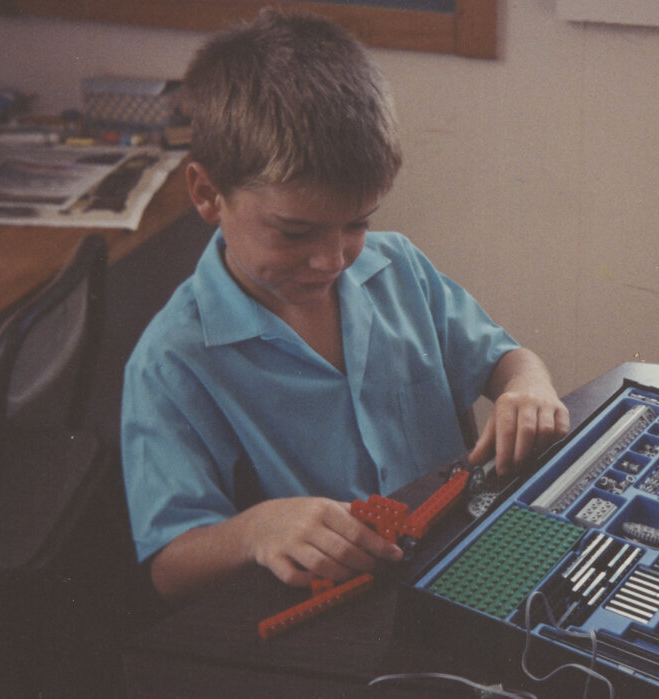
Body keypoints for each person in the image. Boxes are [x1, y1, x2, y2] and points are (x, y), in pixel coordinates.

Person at [121, 8, 569, 602]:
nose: (332, 259)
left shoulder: (397, 267)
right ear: (207, 194)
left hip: (453, 565)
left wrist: (528, 386)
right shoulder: (170, 362)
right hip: (336, 608)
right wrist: (255, 530)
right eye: (296, 232)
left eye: (357, 223)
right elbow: (170, 565)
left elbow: (506, 361)